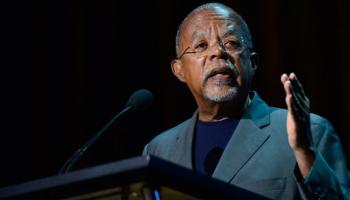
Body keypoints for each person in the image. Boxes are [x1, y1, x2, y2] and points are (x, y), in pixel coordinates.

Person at [143, 2, 350, 199]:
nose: (218, 52)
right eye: (201, 45)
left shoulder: (310, 133)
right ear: (179, 70)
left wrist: (305, 151)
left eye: (231, 42)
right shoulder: (158, 150)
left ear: (252, 62)